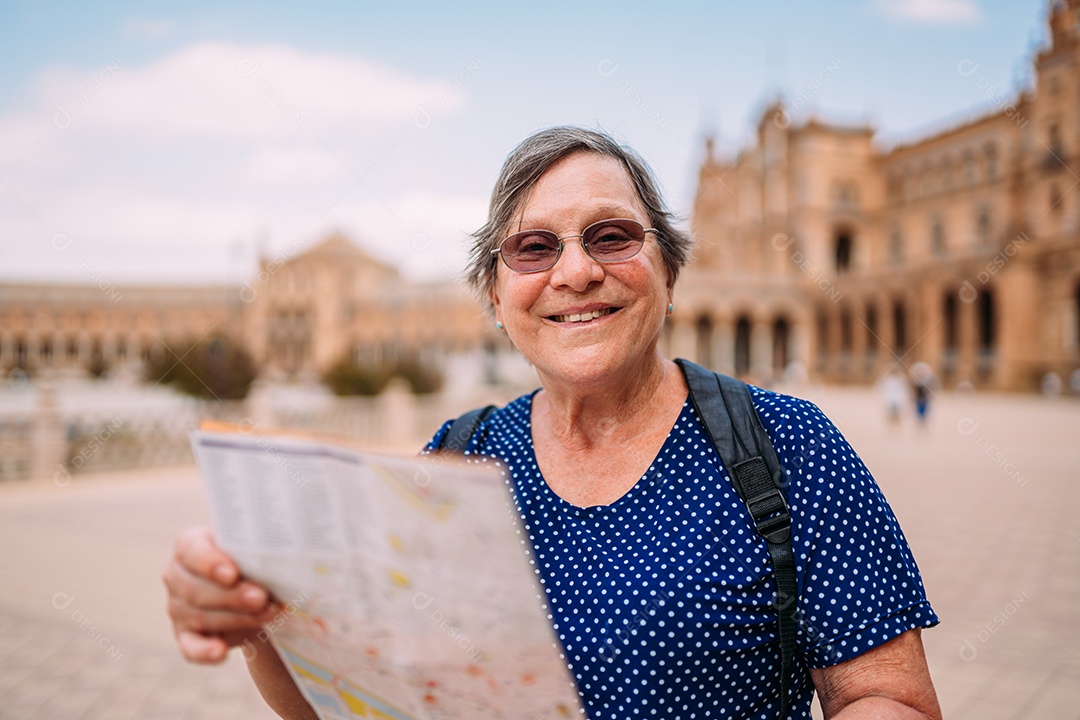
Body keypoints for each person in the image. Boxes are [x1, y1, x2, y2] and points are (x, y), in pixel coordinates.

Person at [163, 126, 942, 719]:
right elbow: (352, 702)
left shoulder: (788, 447)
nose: (576, 271)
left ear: (669, 272)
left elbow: (888, 699)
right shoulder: (454, 460)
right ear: (497, 299)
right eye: (533, 248)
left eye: (611, 235)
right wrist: (256, 618)